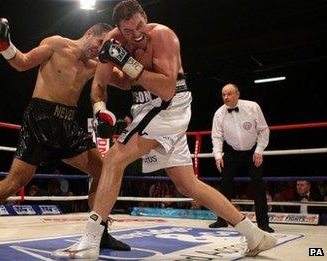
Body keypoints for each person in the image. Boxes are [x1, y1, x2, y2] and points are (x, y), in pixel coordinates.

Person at [52, 0, 276, 259]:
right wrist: (100, 108)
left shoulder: (164, 36)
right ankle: (254, 235)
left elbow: (167, 89)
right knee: (187, 184)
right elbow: (99, 83)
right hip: (144, 107)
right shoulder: (112, 43)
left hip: (170, 105)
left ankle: (90, 241)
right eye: (128, 31)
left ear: (144, 16)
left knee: (113, 159)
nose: (136, 34)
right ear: (118, 29)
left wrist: (126, 62)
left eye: (139, 25)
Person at [0, 19, 131, 251]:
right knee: (14, 183)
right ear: (90, 32)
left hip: (67, 124)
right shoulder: (56, 44)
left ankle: (99, 233)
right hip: (39, 121)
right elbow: (22, 62)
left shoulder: (95, 64)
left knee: (103, 173)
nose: (97, 49)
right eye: (99, 42)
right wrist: (4, 45)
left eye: (103, 47)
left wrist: (125, 59)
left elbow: (126, 82)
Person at [209, 83, 274, 233]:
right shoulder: (219, 113)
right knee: (224, 184)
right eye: (224, 94)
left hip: (252, 150)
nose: (226, 97)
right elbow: (216, 136)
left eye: (229, 94)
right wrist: (218, 155)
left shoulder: (252, 107)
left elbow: (264, 130)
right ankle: (222, 220)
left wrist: (259, 150)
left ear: (238, 94)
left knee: (258, 184)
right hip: (232, 151)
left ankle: (263, 223)